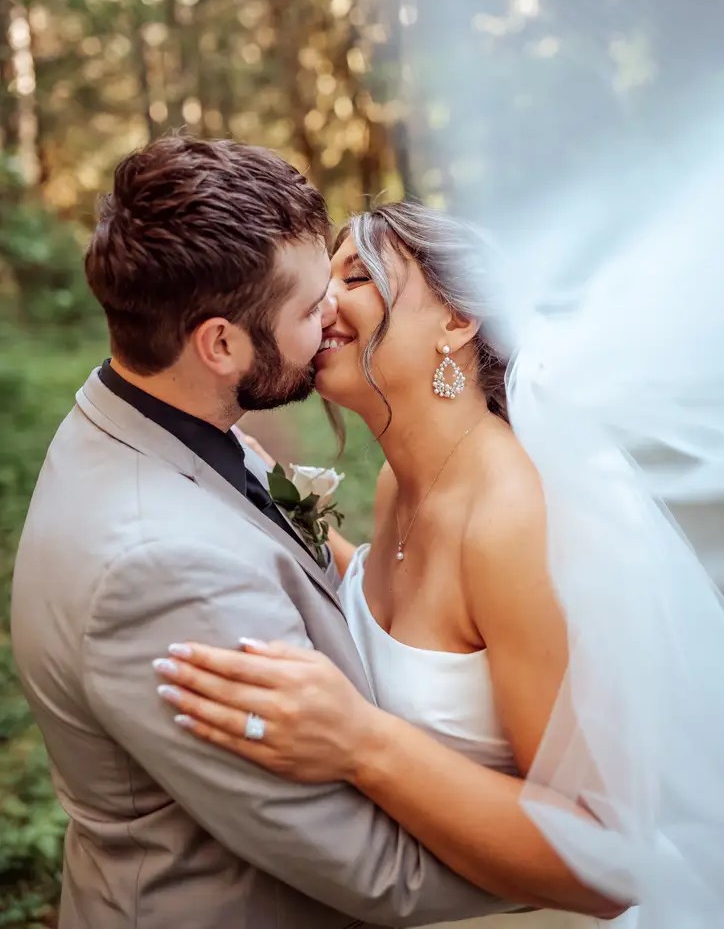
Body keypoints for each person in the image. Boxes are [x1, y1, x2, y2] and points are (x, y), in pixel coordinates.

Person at [153, 199, 724, 929]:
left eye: (357, 275)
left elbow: (606, 858)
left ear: (457, 321)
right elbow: (428, 637)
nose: (323, 299)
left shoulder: (515, 522)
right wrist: (269, 500)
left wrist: (360, 742)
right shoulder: (405, 484)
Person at [12, 138, 536, 929]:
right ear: (220, 344)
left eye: (348, 281)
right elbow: (375, 870)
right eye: (310, 301)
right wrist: (576, 862)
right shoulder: (159, 565)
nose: (332, 311)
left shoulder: (133, 424)